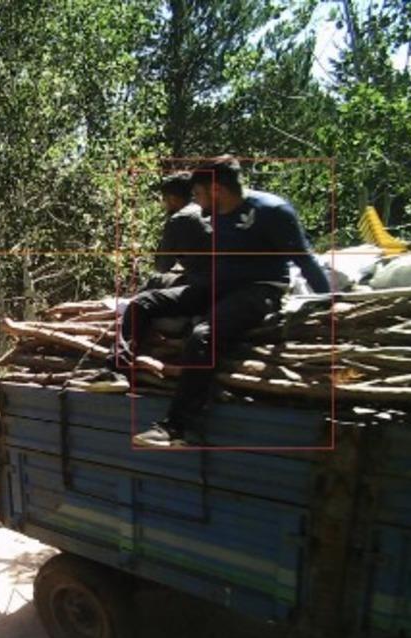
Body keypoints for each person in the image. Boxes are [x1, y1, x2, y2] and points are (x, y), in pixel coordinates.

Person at [120, 156, 331, 447]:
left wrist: (327, 301)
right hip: (218, 285)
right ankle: (116, 369)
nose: (195, 201)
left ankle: (177, 427)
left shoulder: (272, 211)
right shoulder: (215, 214)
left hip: (259, 291)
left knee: (202, 336)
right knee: (142, 303)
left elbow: (304, 260)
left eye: (198, 194)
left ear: (216, 189)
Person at [139, 171, 211, 291]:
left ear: (172, 199)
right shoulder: (210, 210)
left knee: (154, 281)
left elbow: (162, 266)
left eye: (164, 200)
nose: (164, 205)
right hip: (224, 277)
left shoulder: (178, 219)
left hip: (203, 283)